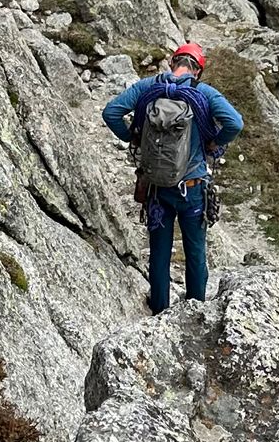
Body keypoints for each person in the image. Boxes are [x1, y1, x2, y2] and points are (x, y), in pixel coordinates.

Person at [101, 42, 243, 314]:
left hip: (157, 188)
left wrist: (133, 137)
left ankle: (158, 311)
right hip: (193, 188)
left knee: (159, 254)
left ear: (172, 62)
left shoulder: (148, 88)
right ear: (198, 71)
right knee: (196, 254)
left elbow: (111, 112)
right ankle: (196, 310)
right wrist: (213, 143)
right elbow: (234, 123)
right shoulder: (203, 93)